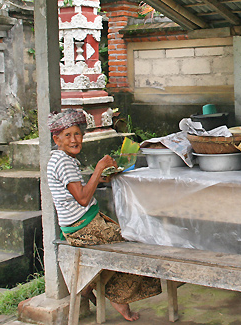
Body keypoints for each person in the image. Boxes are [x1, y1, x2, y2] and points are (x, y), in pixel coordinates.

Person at [46, 109, 161, 321]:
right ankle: (115, 297)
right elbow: (81, 198)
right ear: (57, 139)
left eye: (77, 134)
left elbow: (75, 191)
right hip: (83, 228)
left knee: (126, 238)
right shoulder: (63, 162)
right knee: (134, 242)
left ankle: (90, 285)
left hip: (83, 224)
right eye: (68, 135)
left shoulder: (61, 159)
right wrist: (99, 168)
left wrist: (100, 178)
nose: (74, 140)